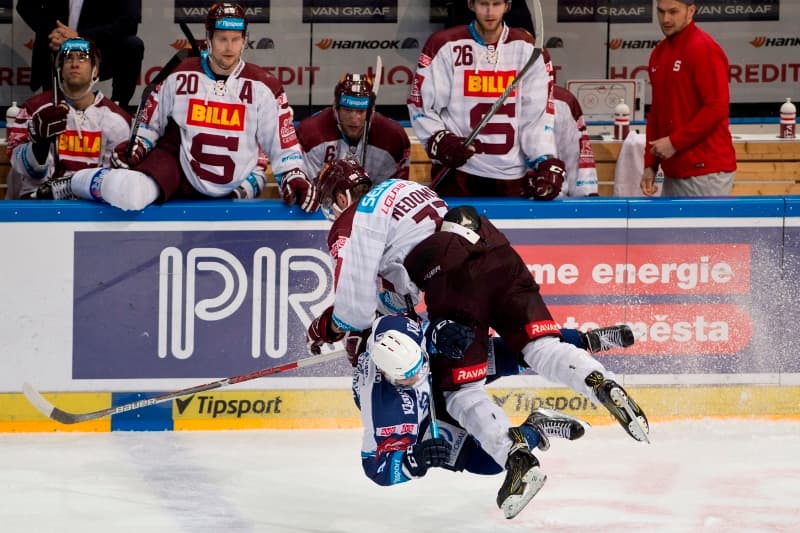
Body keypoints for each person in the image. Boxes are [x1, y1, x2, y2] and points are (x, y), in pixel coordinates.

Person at [402, 205, 649, 514]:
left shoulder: (392, 374)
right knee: (537, 348)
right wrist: (419, 459)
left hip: (439, 337)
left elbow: (397, 315)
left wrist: (433, 331)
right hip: (493, 251)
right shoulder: (420, 212)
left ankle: (586, 344)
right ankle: (591, 381)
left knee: (477, 382)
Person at [33, 2, 318, 212]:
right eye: (221, 40)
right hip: (179, 165)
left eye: (235, 40)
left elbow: (283, 145)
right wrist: (138, 146)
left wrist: (294, 176)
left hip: (232, 180)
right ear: (209, 38)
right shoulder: (181, 74)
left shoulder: (264, 86)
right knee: (131, 194)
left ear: (244, 40)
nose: (228, 48)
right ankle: (73, 184)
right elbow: (150, 124)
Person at [354, 313, 590, 518]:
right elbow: (375, 467)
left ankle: (587, 340)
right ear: (390, 377)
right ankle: (537, 427)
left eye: (420, 365)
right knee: (489, 463)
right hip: (424, 416)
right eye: (411, 377)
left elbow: (422, 327)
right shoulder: (386, 413)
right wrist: (413, 460)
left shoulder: (393, 328)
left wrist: (439, 331)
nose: (419, 375)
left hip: (440, 369)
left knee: (511, 353)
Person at [408, 0, 566, 200]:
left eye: (496, 3)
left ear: (508, 6)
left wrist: (543, 159)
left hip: (511, 176)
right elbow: (421, 104)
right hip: (457, 173)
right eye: (483, 3)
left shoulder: (528, 49)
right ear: (471, 5)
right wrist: (440, 140)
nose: (490, 11)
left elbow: (536, 116)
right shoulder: (445, 44)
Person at [5, 38, 131, 199]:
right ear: (59, 68)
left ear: (95, 70)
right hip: (36, 205)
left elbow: (113, 181)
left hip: (92, 207)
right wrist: (39, 146)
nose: (75, 64)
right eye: (68, 58)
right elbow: (19, 168)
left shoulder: (117, 119)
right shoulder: (33, 109)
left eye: (82, 58)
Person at [639, 0, 736, 197]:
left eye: (673, 12)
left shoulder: (703, 48)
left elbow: (717, 107)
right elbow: (657, 113)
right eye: (661, 12)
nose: (665, 19)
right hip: (674, 169)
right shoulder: (659, 53)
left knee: (701, 229)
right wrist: (650, 164)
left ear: (690, 11)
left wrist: (674, 142)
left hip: (706, 170)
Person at [17, 0, 145, 109]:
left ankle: (119, 108)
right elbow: (26, 6)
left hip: (100, 45)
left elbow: (129, 22)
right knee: (53, 113)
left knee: (133, 45)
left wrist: (79, 36)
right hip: (57, 44)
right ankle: (52, 110)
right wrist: (56, 32)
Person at [296, 72, 411, 185]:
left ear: (371, 111)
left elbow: (396, 191)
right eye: (347, 110)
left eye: (360, 111)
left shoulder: (393, 138)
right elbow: (305, 190)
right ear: (336, 108)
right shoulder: (312, 133)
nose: (354, 118)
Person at [553, 85, 599, 197]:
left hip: (552, 204)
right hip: (549, 200)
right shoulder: (563, 99)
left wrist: (586, 197)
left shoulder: (563, 100)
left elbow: (578, 162)